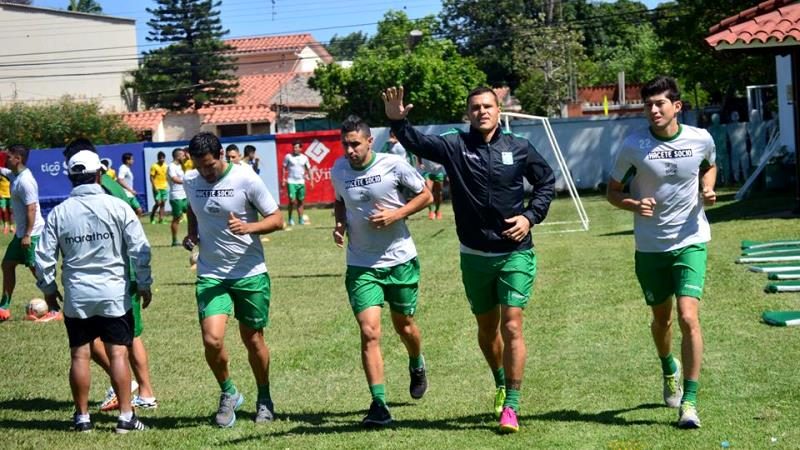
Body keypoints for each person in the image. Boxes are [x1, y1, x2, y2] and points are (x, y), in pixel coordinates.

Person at [382, 86, 555, 434]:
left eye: (487, 106)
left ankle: (512, 407)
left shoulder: (519, 147)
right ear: (468, 113)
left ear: (499, 110)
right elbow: (417, 142)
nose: (482, 112)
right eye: (475, 107)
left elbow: (546, 182)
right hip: (474, 255)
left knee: (513, 324)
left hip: (515, 253)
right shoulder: (455, 145)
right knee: (487, 329)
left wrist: (529, 217)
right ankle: (500, 380)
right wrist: (398, 120)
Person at [606, 76, 716, 429]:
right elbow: (611, 191)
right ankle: (669, 365)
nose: (653, 110)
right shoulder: (633, 146)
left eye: (660, 104)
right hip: (651, 246)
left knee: (688, 317)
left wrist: (708, 188)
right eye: (648, 105)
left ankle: (690, 401)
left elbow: (710, 164)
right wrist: (634, 204)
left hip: (691, 239)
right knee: (662, 319)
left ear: (677, 106)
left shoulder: (700, 139)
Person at [34, 148, 152, 433]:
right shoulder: (118, 206)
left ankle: (82, 417)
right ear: (99, 174)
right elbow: (140, 249)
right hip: (113, 292)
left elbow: (43, 256)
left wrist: (49, 289)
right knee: (118, 355)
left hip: (77, 295)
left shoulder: (60, 212)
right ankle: (126, 417)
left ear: (71, 178)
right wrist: (145, 283)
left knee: (79, 355)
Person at [331, 115, 433, 427]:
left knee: (405, 326)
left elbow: (426, 195)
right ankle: (379, 404)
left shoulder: (393, 164)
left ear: (368, 141)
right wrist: (339, 224)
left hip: (400, 259)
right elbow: (340, 201)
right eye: (345, 144)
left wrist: (396, 214)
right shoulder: (338, 170)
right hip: (362, 264)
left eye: (355, 144)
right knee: (369, 330)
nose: (349, 150)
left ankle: (416, 362)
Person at [183, 132, 284, 427]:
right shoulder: (192, 181)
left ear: (223, 156)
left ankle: (264, 398)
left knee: (253, 339)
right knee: (212, 339)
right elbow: (192, 206)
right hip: (211, 273)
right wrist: (192, 232)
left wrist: (249, 226)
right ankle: (229, 393)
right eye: (200, 167)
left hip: (249, 273)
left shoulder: (246, 178)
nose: (206, 172)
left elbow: (277, 219)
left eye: (210, 166)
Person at [61, 139, 158, 414]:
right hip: (117, 271)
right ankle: (138, 389)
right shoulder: (110, 182)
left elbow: (133, 220)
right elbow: (135, 210)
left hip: (115, 272)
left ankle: (135, 389)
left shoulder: (100, 186)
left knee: (109, 339)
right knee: (128, 335)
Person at [0, 144, 61, 322]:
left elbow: (32, 209)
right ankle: (4, 307)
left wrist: (27, 235)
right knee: (8, 265)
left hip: (32, 234)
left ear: (18, 159)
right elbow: (5, 172)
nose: (6, 158)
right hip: (21, 234)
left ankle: (55, 309)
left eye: (9, 156)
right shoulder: (16, 175)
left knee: (38, 271)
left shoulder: (26, 181)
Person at [282, 140, 315, 226]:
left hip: (301, 182)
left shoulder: (304, 158)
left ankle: (300, 219)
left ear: (300, 148)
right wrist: (283, 179)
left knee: (300, 201)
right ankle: (290, 219)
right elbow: (284, 168)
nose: (295, 148)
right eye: (294, 147)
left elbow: (309, 169)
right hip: (291, 181)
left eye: (297, 147)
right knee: (292, 200)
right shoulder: (288, 156)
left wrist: (311, 181)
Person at [168, 148, 188, 247]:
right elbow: (174, 179)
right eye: (183, 155)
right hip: (176, 196)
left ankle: (193, 236)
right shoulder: (171, 166)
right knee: (177, 218)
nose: (184, 157)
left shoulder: (181, 166)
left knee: (194, 214)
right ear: (178, 156)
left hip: (185, 195)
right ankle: (174, 240)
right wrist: (187, 182)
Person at [707, 113, 730, 186]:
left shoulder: (724, 128)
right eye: (715, 119)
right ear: (712, 120)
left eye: (717, 118)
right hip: (715, 152)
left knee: (726, 168)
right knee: (716, 169)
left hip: (724, 150)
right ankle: (718, 182)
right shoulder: (710, 129)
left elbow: (726, 139)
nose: (716, 120)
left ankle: (727, 182)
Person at [149, 151, 168, 224]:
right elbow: (151, 177)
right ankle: (152, 217)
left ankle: (161, 219)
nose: (162, 160)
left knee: (163, 203)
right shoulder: (154, 166)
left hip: (164, 187)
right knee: (158, 203)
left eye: (163, 158)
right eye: (160, 158)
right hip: (156, 187)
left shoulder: (166, 166)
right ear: (158, 159)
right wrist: (154, 187)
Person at [0, 169, 12, 235]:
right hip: (2, 196)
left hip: (10, 196)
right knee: (4, 210)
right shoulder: (1, 176)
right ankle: (5, 225)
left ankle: (11, 226)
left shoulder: (11, 177)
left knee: (11, 211)